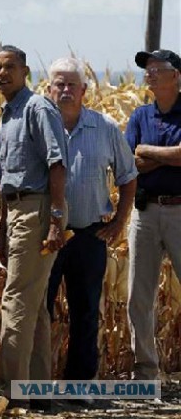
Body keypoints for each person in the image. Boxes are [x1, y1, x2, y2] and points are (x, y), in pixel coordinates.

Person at [0, 45, 67, 411]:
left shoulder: (36, 109)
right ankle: (39, 394)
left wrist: (56, 221)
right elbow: (3, 175)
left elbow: (57, 165)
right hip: (18, 211)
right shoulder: (9, 113)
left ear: (25, 71)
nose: (1, 74)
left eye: (9, 67)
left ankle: (14, 395)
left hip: (37, 210)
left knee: (15, 301)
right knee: (34, 304)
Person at [45, 58, 137, 384]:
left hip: (88, 235)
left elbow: (128, 178)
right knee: (41, 311)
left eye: (72, 85)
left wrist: (119, 222)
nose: (66, 90)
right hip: (48, 237)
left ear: (84, 90)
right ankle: (36, 385)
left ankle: (78, 385)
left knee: (85, 314)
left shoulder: (106, 128)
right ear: (48, 89)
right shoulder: (40, 128)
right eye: (60, 84)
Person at [125, 49, 181, 381]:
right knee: (139, 295)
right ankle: (146, 372)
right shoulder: (139, 116)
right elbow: (131, 161)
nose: (150, 75)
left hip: (179, 209)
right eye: (147, 70)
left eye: (156, 69)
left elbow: (144, 154)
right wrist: (168, 156)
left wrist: (148, 151)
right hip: (144, 212)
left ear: (176, 75)